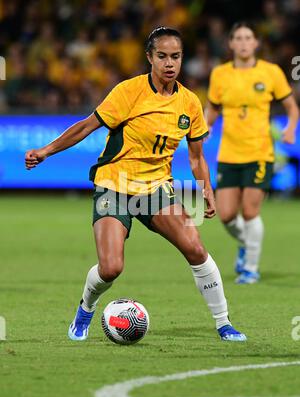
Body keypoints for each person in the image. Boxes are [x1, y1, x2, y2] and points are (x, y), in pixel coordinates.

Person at [25, 27, 246, 342]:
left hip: (155, 188)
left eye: (176, 56)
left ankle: (224, 323)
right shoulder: (128, 92)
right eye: (162, 56)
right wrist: (45, 151)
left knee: (195, 247)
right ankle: (85, 310)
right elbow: (87, 126)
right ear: (149, 58)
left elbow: (196, 157)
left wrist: (206, 192)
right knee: (112, 267)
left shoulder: (190, 103)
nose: (170, 63)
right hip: (114, 184)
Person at [206, 22, 299, 284]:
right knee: (225, 215)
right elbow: (212, 108)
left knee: (249, 212)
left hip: (259, 152)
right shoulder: (220, 74)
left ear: (256, 43)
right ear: (231, 44)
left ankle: (250, 269)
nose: (244, 42)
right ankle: (247, 243)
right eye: (239, 38)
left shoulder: (271, 72)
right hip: (229, 153)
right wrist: (205, 127)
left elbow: (292, 107)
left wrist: (291, 128)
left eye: (249, 37)